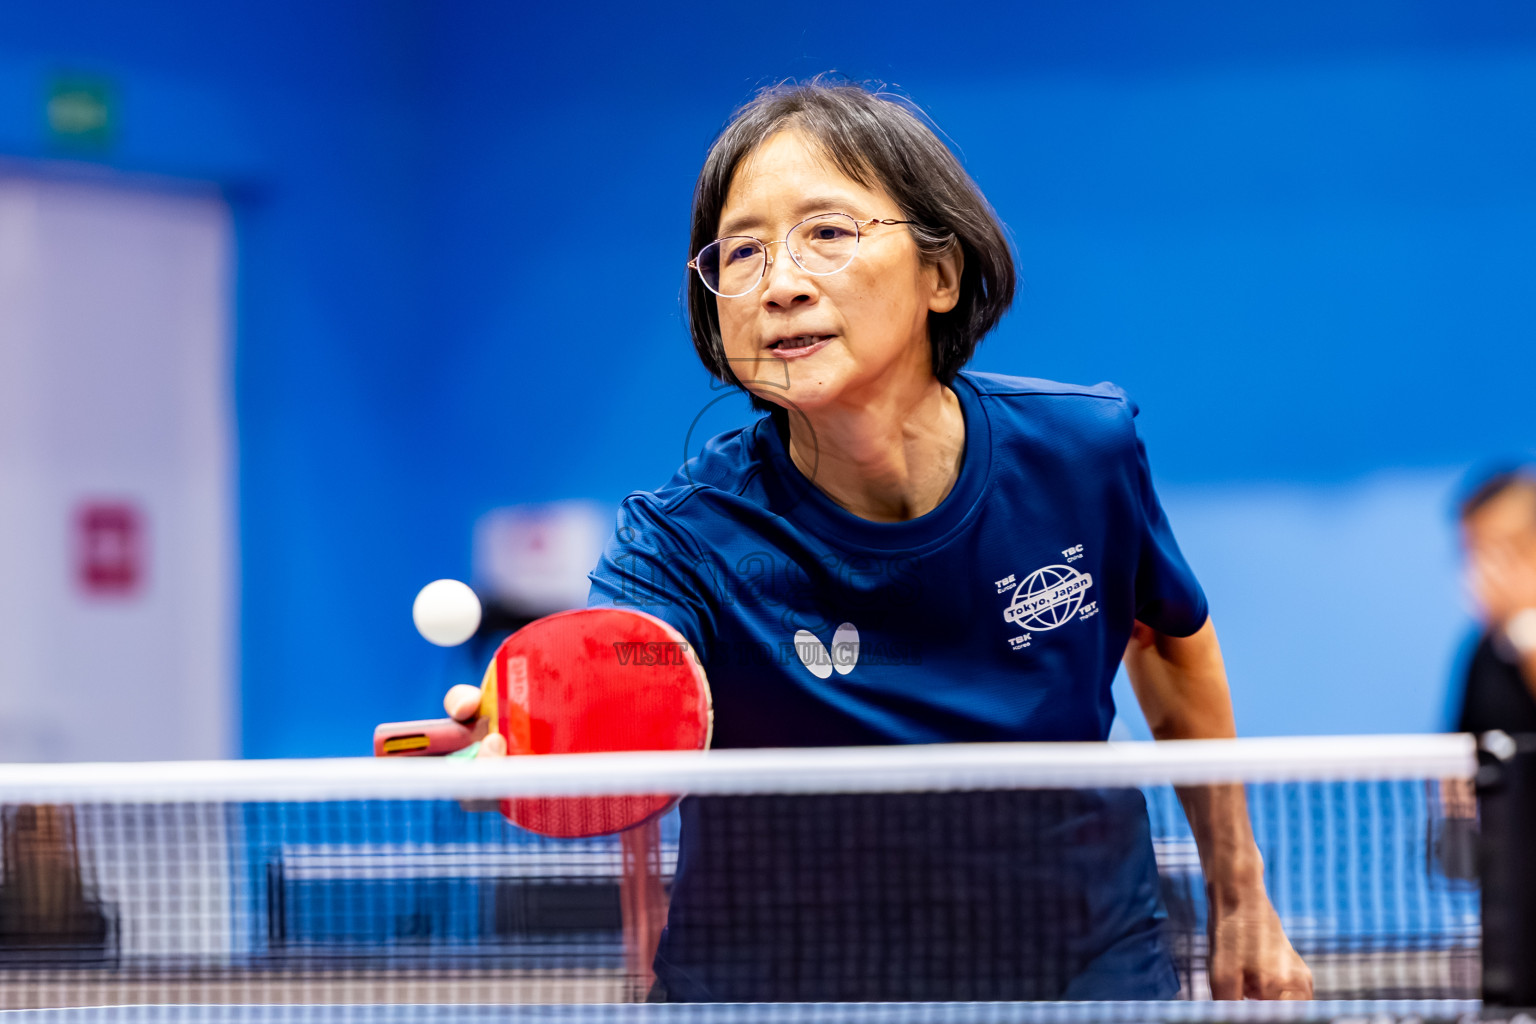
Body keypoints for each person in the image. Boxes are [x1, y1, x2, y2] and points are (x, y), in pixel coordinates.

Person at [446, 79, 1311, 1001]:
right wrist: (505, 747)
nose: (780, 283)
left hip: (1073, 971)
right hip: (781, 994)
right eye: (742, 252)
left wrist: (1241, 894)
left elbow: (1169, 644)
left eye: (827, 231)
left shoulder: (1081, 452)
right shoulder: (681, 537)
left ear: (941, 274)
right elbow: (611, 686)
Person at [1453, 465, 1536, 734]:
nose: (1487, 570)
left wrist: (1525, 628)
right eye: (1475, 552)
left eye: (1504, 550)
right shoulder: (1485, 650)